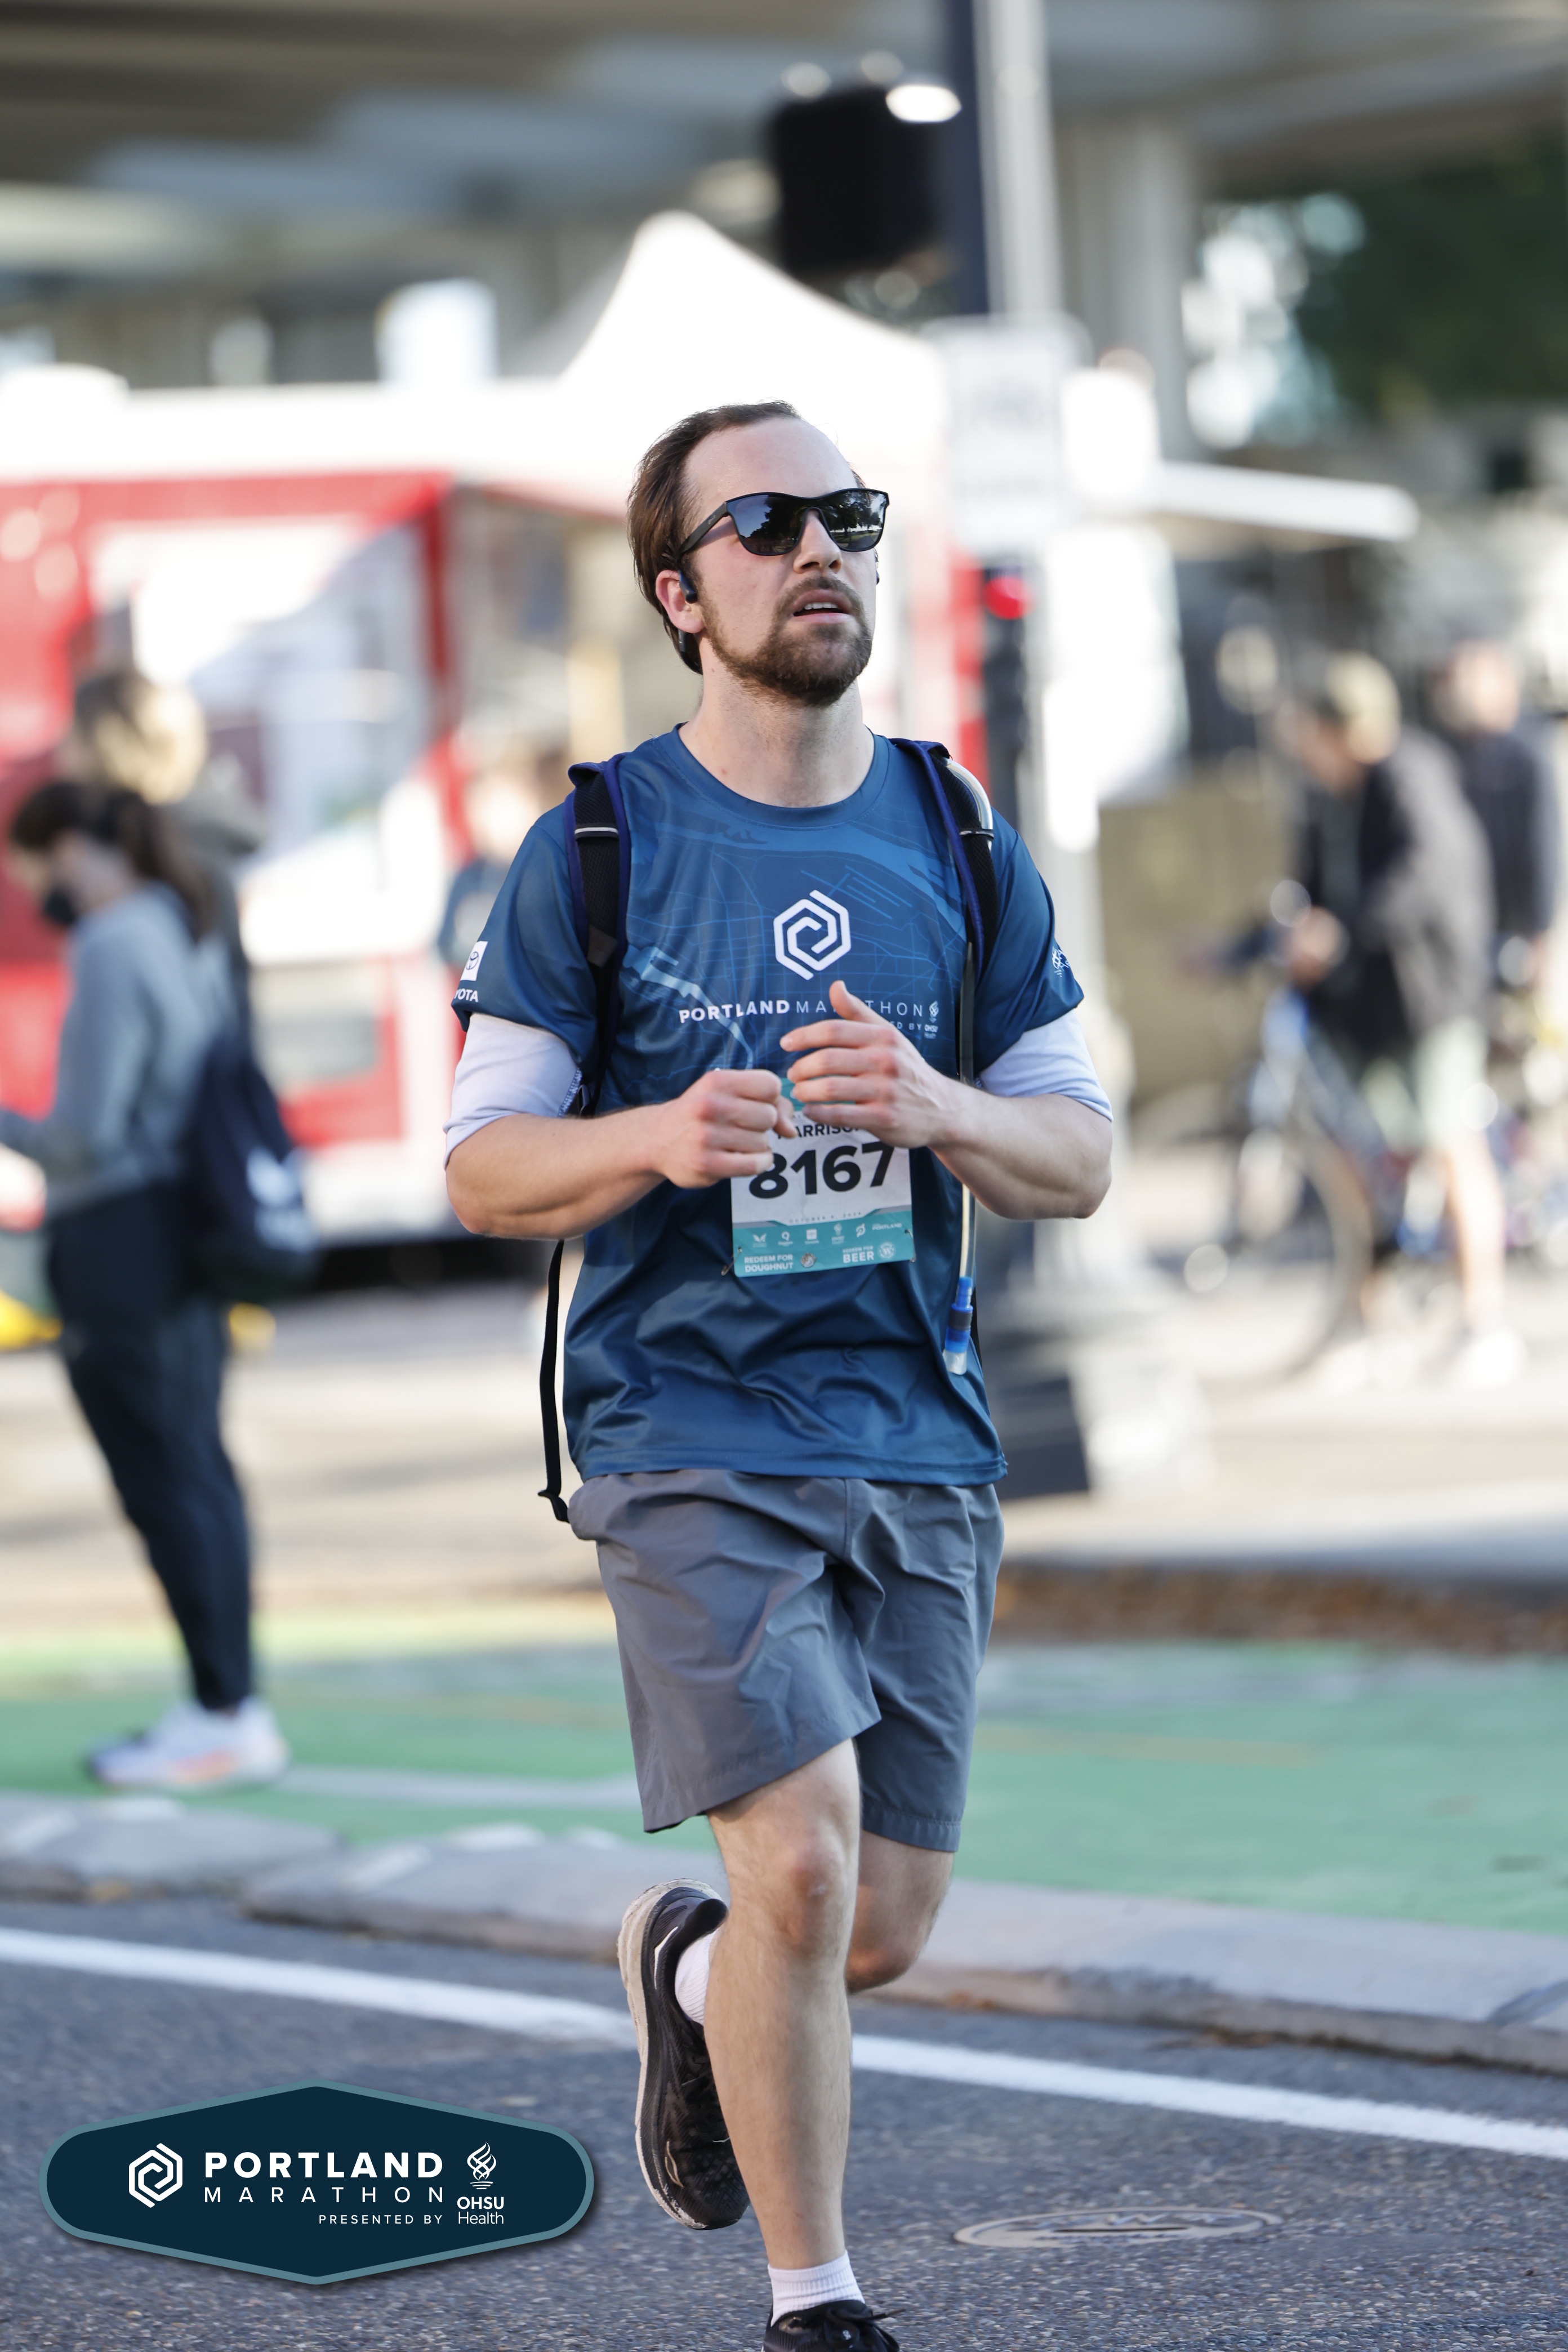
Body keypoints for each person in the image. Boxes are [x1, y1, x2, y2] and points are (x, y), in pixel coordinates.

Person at [444, 400, 1112, 2351]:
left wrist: (937, 1104)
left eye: (848, 512)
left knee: (868, 1925)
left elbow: (1079, 1153)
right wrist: (653, 1135)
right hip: (686, 1432)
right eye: (764, 522)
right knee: (804, 1862)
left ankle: (692, 1972)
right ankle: (815, 2302)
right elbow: (483, 1166)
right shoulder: (596, 845)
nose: (819, 545)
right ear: (681, 592)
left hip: (914, 1430)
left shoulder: (957, 833)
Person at [0, 779, 286, 1788]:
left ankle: (221, 1712)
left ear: (72, 848)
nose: (35, 887)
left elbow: (83, 1137)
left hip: (123, 1237)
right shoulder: (183, 919)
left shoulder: (115, 939)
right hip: (187, 1230)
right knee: (197, 1467)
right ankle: (230, 1701)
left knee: (162, 1480)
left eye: (33, 863)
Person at [1280, 649, 1517, 1385]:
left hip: (1429, 999)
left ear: (1341, 728)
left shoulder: (1411, 777)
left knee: (1452, 1145)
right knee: (1350, 1156)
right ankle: (1371, 1320)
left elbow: (1423, 876)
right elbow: (1310, 892)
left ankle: (1483, 1320)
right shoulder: (1330, 800)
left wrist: (1341, 932)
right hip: (1363, 1009)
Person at [67, 667, 265, 1030]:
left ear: (110, 748)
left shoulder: (184, 848)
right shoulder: (161, 838)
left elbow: (213, 1006)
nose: (62, 753)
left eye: (74, 736)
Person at [1432, 638, 1561, 991]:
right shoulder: (1452, 749)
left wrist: (1541, 932)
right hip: (1469, 916)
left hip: (1514, 918)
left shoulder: (1527, 752)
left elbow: (1543, 845)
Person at [437, 750, 558, 972]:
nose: (481, 819)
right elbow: (447, 946)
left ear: (531, 800)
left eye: (497, 805)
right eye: (477, 807)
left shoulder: (557, 867)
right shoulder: (471, 878)